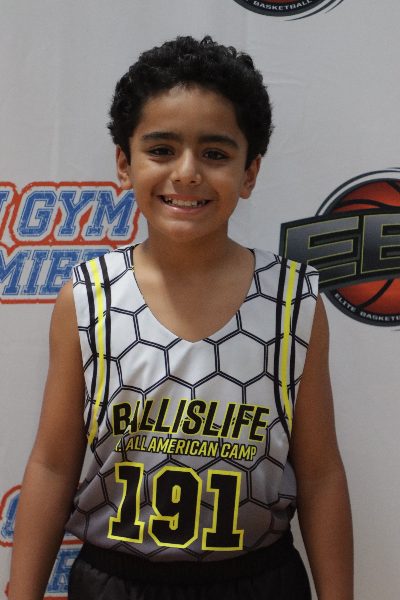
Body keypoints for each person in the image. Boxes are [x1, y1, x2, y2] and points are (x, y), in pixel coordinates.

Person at [9, 36, 353, 600]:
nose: (187, 173)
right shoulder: (88, 298)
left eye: (215, 154)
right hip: (117, 581)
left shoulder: (294, 301)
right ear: (125, 163)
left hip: (256, 579)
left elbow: (319, 474)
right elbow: (51, 466)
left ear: (249, 172)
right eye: (162, 149)